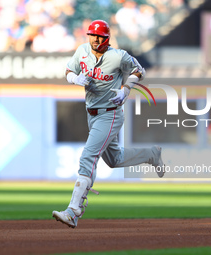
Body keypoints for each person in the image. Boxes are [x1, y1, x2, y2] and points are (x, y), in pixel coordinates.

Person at [52, 20, 165, 228]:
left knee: (88, 157)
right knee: (114, 159)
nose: (95, 39)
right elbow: (68, 71)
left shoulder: (118, 55)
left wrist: (125, 89)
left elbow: (140, 71)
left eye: (99, 36)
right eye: (92, 35)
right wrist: (75, 79)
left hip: (110, 113)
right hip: (92, 114)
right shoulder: (82, 51)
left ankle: (73, 211)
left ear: (107, 37)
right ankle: (151, 154)